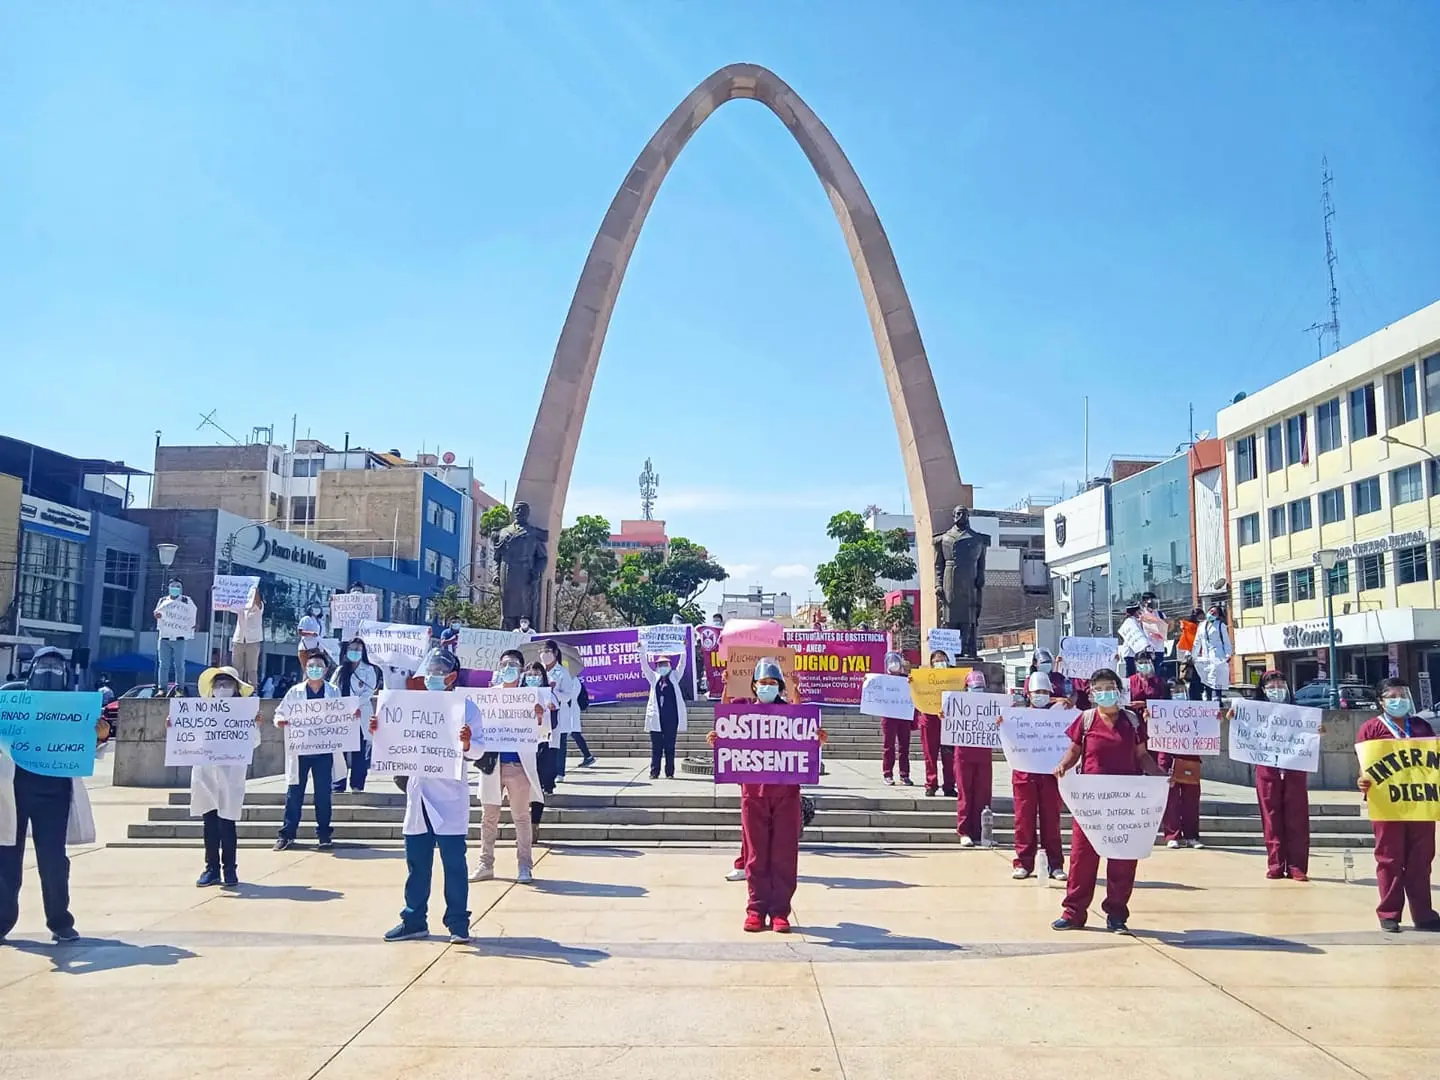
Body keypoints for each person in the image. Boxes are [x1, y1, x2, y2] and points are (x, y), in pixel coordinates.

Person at [0, 647, 112, 944]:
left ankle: (60, 921)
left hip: (55, 794)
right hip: (13, 791)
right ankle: (1, 921)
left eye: (56, 666)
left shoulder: (75, 704)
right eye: (44, 665)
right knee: (6, 860)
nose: (50, 671)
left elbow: (85, 747)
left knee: (53, 861)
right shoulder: (11, 697)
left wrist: (99, 735)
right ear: (32, 667)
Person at [708, 657, 826, 932]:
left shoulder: (794, 715)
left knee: (784, 854)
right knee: (755, 854)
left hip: (787, 794)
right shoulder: (743, 711)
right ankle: (756, 909)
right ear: (754, 686)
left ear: (780, 686)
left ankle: (780, 911)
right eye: (763, 683)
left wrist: (816, 738)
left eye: (773, 683)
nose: (767, 687)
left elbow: (806, 738)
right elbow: (726, 722)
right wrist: (718, 738)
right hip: (753, 793)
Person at [1051, 667, 1167, 934]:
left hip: (1125, 804)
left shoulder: (1133, 721)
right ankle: (1073, 912)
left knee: (1123, 859)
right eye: (1098, 688)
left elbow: (1143, 757)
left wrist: (1161, 777)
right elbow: (1074, 751)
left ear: (1118, 690)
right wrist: (1063, 766)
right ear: (1091, 693)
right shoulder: (1086, 720)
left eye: (1109, 687)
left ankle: (1117, 915)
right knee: (1082, 858)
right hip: (1091, 804)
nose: (1104, 693)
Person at [379, 647, 475, 942]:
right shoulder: (412, 705)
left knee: (454, 865)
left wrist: (469, 743)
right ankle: (414, 919)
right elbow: (394, 741)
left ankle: (458, 922)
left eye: (438, 672)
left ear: (452, 676)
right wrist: (379, 730)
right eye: (429, 672)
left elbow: (481, 750)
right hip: (418, 797)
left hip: (449, 799)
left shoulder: (466, 707)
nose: (432, 677)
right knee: (417, 864)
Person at [1357, 678, 1440, 933]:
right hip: (1387, 803)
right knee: (1389, 859)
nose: (1399, 700)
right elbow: (1364, 765)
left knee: (1421, 859)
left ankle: (1423, 914)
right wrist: (1361, 780)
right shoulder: (1371, 728)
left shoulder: (1421, 727)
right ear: (1380, 701)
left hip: (1420, 803)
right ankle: (1389, 913)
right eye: (1392, 696)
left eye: (1403, 695)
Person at [186, 666, 264, 887]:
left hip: (230, 774)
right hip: (206, 773)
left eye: (227, 683)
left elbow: (254, 743)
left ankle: (230, 869)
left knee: (227, 823)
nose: (222, 688)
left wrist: (254, 726)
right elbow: (187, 737)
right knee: (209, 823)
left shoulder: (244, 713)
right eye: (218, 683)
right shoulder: (202, 710)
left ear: (236, 688)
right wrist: (174, 728)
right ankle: (211, 869)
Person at [473, 663, 548, 884]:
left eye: (513, 665)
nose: (508, 669)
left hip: (518, 767)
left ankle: (524, 866)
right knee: (489, 818)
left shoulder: (531, 697)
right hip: (491, 767)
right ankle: (485, 864)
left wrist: (540, 717)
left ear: (521, 671)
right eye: (504, 665)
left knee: (522, 818)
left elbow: (544, 733)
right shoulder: (488, 697)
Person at [273, 651, 347, 851]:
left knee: (323, 794)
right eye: (311, 665)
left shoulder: (333, 691)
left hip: (324, 751)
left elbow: (341, 715)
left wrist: (351, 715)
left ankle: (324, 834)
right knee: (294, 793)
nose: (315, 669)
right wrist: (280, 721)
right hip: (300, 751)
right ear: (306, 669)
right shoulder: (295, 691)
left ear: (325, 670)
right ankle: (287, 834)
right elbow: (280, 712)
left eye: (319, 666)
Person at [1250, 672, 1311, 881]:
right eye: (1271, 685)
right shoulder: (1254, 712)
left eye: (1280, 684)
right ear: (1264, 690)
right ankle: (1275, 863)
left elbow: (1308, 733)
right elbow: (1242, 731)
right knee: (1271, 816)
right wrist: (1232, 717)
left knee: (1297, 817)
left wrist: (1317, 732)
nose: (1276, 688)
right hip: (1267, 768)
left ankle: (1297, 866)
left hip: (1294, 767)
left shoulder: (1300, 712)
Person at [1007, 671, 1067, 881]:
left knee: (1052, 820)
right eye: (1036, 692)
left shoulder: (1060, 714)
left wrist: (1067, 706)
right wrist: (1001, 722)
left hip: (1050, 775)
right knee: (1024, 820)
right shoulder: (1017, 715)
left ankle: (1055, 864)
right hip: (1024, 773)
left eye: (1044, 691)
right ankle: (1023, 863)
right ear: (1028, 694)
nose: (1040, 695)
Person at [331, 638, 382, 794]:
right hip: (342, 716)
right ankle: (338, 784)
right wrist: (341, 707)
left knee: (359, 752)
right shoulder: (340, 670)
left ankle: (357, 785)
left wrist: (354, 705)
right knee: (340, 752)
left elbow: (369, 691)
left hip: (360, 714)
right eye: (352, 649)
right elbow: (332, 689)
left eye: (358, 649)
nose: (355, 652)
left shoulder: (370, 669)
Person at [954, 669, 994, 847]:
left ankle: (980, 832)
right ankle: (964, 831)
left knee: (983, 793)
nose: (977, 691)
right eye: (974, 687)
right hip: (963, 753)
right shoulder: (958, 704)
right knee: (965, 792)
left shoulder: (990, 705)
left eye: (980, 687)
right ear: (966, 688)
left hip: (984, 753)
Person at [542, 640, 595, 776]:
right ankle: (546, 772)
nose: (544, 654)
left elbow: (567, 696)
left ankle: (559, 772)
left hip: (560, 713)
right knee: (544, 745)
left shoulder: (563, 673)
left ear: (555, 653)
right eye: (542, 651)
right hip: (542, 713)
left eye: (547, 651)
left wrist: (553, 690)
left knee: (559, 744)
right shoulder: (539, 671)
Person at [641, 647, 687, 780]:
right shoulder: (653, 678)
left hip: (671, 718)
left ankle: (669, 772)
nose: (663, 666)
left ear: (669, 665)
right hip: (656, 717)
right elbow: (644, 666)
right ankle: (654, 772)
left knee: (670, 746)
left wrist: (683, 650)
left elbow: (682, 664)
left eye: (665, 664)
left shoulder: (674, 676)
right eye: (660, 664)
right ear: (656, 666)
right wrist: (641, 652)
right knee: (656, 747)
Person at [917, 651, 957, 797]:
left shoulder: (954, 679)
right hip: (929, 720)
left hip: (948, 721)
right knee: (930, 755)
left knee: (949, 755)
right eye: (936, 661)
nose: (939, 663)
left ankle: (949, 785)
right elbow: (916, 692)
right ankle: (931, 784)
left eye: (942, 660)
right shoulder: (925, 678)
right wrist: (912, 682)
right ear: (931, 663)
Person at [153, 578, 196, 692]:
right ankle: (162, 688)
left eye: (178, 586)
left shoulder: (186, 601)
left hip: (179, 639)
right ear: (169, 588)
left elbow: (192, 614)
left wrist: (191, 625)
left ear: (181, 589)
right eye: (173, 586)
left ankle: (179, 689)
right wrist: (157, 615)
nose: (175, 589)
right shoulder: (163, 600)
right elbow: (157, 612)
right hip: (164, 637)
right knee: (163, 665)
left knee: (179, 665)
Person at [880, 651, 914, 786]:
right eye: (891, 662)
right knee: (889, 746)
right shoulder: (882, 679)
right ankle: (887, 773)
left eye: (896, 661)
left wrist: (913, 682)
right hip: (888, 716)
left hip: (903, 715)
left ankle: (904, 775)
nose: (893, 664)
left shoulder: (906, 678)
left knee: (904, 746)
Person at [1191, 602, 1232, 701]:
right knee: (1207, 679)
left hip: (1218, 655)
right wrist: (1193, 655)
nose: (1212, 614)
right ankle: (1209, 699)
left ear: (1218, 615)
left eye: (1215, 613)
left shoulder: (1220, 625)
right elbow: (1197, 642)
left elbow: (1226, 640)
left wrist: (1228, 654)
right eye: (1211, 611)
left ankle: (1217, 699)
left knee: (1216, 678)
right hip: (1206, 656)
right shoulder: (1201, 625)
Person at [229, 587, 264, 687]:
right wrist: (217, 592)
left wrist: (255, 590)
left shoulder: (259, 606)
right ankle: (236, 689)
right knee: (236, 668)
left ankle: (253, 690)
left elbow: (258, 602)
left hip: (253, 641)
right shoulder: (241, 605)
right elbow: (227, 605)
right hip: (239, 639)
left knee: (252, 669)